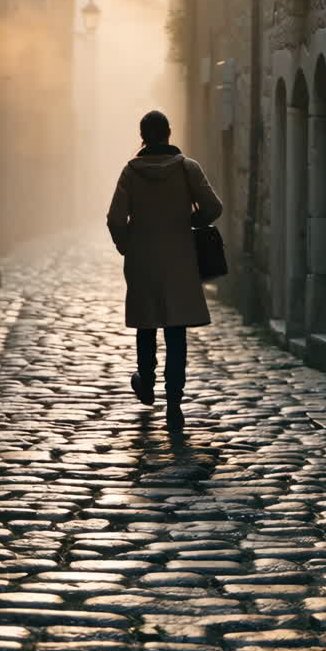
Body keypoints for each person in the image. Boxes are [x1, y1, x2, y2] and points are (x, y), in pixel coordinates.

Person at [107, 110, 223, 430]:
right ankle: (174, 402)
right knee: (176, 331)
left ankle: (146, 382)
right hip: (179, 259)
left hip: (143, 260)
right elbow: (213, 208)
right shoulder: (187, 169)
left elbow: (116, 219)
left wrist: (127, 245)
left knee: (147, 325)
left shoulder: (131, 173)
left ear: (142, 135)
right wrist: (188, 223)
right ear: (169, 133)